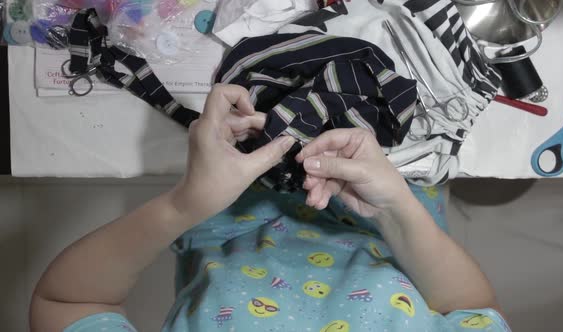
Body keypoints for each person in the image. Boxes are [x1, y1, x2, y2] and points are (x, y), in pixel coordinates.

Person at [30, 84, 509, 332]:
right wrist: (395, 206)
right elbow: (471, 308)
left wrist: (186, 204)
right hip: (390, 188)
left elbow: (68, 302)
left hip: (227, 182)